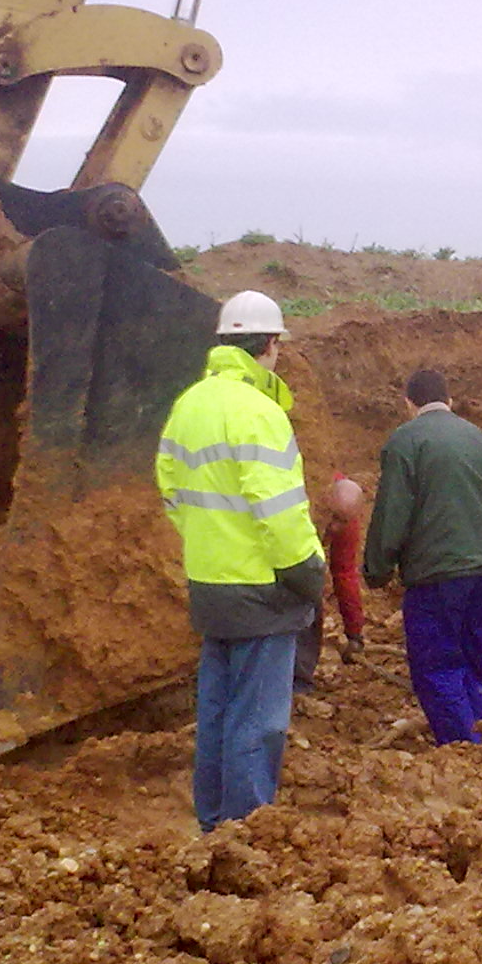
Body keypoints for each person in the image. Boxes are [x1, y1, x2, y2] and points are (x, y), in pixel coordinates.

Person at [155, 289, 324, 831]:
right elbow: (279, 512)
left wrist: (210, 541)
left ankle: (212, 824)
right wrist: (307, 572)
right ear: (270, 345)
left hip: (209, 582)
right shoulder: (259, 412)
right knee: (258, 721)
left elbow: (170, 489)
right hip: (261, 589)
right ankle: (246, 833)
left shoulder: (190, 403)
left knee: (218, 715)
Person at [363, 368, 482, 744]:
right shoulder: (479, 439)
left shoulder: (405, 442)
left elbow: (392, 512)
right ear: (450, 401)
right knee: (472, 660)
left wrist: (377, 570)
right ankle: (479, 729)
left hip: (436, 574)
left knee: (437, 666)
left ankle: (464, 750)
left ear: (409, 404)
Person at [293, 473, 368, 690]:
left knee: (311, 602)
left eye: (342, 521)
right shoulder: (302, 500)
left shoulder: (347, 522)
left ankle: (299, 681)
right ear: (322, 500)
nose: (334, 527)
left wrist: (354, 631)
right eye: (332, 517)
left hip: (306, 559)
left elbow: (344, 573)